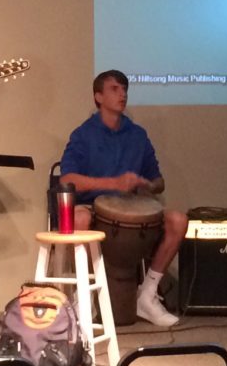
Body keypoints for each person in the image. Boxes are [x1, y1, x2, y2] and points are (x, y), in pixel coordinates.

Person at [57, 69, 187, 327]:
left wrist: (146, 183)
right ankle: (84, 297)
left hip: (131, 210)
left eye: (125, 89)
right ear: (98, 97)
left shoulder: (137, 135)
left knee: (178, 220)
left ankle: (147, 295)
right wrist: (112, 183)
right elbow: (67, 179)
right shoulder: (83, 134)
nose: (122, 94)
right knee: (79, 218)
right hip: (93, 208)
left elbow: (158, 182)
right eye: (114, 89)